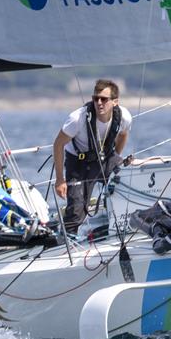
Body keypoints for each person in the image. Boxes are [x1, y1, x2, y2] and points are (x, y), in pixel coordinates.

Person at [53, 79, 132, 234]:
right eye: (96, 98)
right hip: (78, 162)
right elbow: (58, 144)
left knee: (127, 179)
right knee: (76, 211)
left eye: (104, 99)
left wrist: (116, 158)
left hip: (106, 157)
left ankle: (125, 227)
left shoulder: (124, 117)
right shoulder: (77, 119)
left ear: (115, 102)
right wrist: (60, 179)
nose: (99, 103)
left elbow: (123, 135)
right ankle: (67, 240)